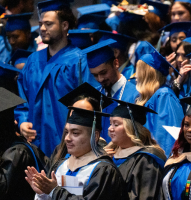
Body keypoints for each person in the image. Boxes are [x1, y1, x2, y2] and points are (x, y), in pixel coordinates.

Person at [15, 0, 98, 155]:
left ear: (64, 26)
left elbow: (89, 102)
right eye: (40, 24)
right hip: (35, 143)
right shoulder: (33, 61)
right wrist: (22, 121)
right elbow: (22, 99)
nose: (42, 29)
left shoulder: (78, 61)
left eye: (48, 24)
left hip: (66, 143)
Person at [25, 107, 127, 200]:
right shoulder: (60, 165)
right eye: (66, 132)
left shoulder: (104, 171)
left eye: (75, 133)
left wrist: (54, 191)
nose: (67, 138)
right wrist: (43, 194)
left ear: (95, 136)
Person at [105, 100, 167, 200]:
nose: (110, 129)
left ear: (131, 128)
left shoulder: (146, 160)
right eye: (110, 123)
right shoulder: (109, 155)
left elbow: (145, 196)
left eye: (116, 124)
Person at [81, 39, 140, 143]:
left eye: (103, 72)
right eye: (95, 75)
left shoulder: (135, 94)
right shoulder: (95, 96)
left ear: (116, 63)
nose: (100, 79)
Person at [135, 43, 184, 156]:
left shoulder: (164, 96)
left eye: (139, 71)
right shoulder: (148, 98)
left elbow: (167, 137)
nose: (136, 76)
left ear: (148, 75)